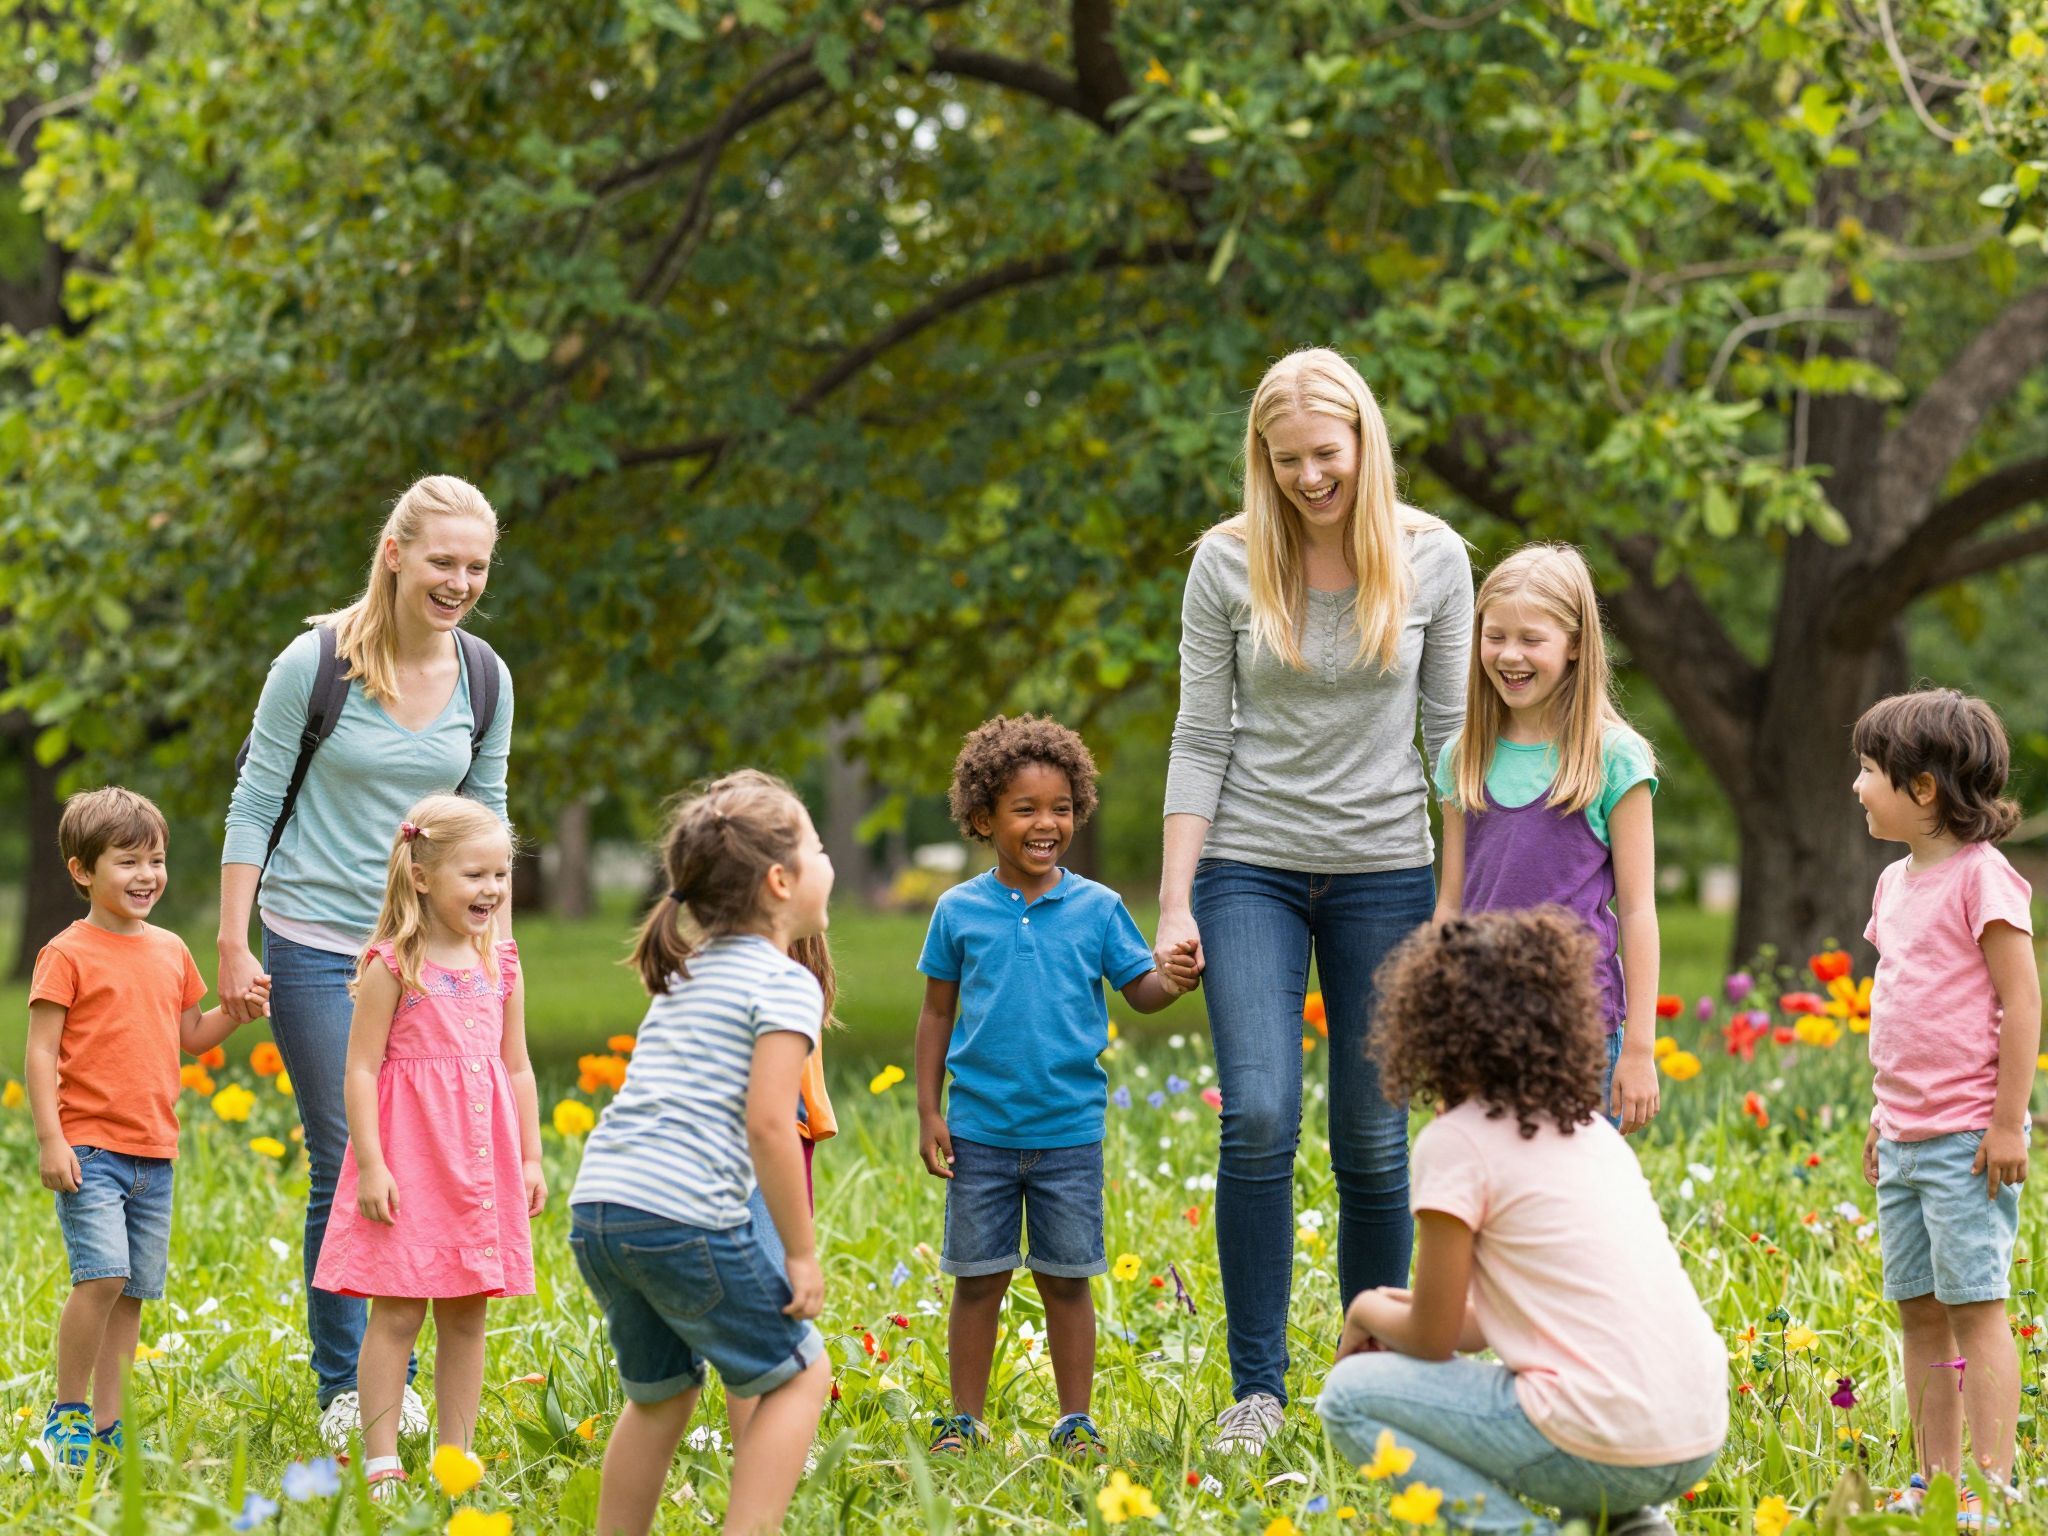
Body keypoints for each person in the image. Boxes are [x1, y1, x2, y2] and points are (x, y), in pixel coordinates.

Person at [1159, 346, 1472, 1452]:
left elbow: (1450, 741)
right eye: (1284, 460)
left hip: (1385, 871)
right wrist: (1172, 900)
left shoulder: (1433, 559)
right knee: (1254, 1114)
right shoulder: (1224, 563)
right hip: (1246, 864)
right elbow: (1199, 734)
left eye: (1324, 456)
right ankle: (1256, 1391)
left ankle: (1373, 1386)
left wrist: (1455, 899)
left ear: (1362, 444)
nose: (1306, 479)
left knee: (1374, 1141)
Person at [218, 474, 513, 1447]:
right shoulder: (314, 665)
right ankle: (352, 1387)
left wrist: (494, 952)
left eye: (475, 566)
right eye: (442, 561)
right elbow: (256, 803)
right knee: (348, 1153)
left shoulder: (485, 677)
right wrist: (230, 939)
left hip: (435, 951)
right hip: (315, 937)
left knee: (431, 1158)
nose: (459, 581)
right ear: (395, 553)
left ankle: (401, 1379)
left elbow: (491, 812)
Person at [1316, 909, 1725, 1536]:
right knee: (1550, 1389)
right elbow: (1475, 1328)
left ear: (1429, 1031)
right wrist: (1396, 1304)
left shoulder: (1458, 1143)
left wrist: (1367, 1309)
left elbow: (1431, 1339)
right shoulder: (1589, 1130)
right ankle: (1632, 1524)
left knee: (1347, 1398)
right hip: (1695, 1428)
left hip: (1606, 1438)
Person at [915, 716, 1200, 1459]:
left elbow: (1140, 991)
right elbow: (936, 1011)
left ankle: (1076, 1421)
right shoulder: (957, 911)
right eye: (1026, 809)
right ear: (983, 818)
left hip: (1069, 1134)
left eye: (1063, 808)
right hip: (980, 1131)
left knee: (1066, 1281)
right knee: (978, 1281)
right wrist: (928, 1112)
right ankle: (965, 1420)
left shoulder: (1099, 909)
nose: (1049, 824)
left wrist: (1173, 979)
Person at [568, 771, 833, 1536]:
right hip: (684, 1219)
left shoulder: (683, 975)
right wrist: (802, 1254)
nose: (828, 861)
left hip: (603, 1211)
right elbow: (770, 1127)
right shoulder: (785, 983)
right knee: (799, 1374)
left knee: (660, 1395)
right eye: (818, 846)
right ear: (781, 883)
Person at [309, 796, 542, 1497]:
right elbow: (360, 1068)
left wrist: (530, 1156)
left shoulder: (500, 962)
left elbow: (519, 1064)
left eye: (501, 874)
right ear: (420, 874)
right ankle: (381, 1457)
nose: (493, 889)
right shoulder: (393, 964)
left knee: (469, 1313)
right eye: (475, 874)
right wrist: (372, 1164)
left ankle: (454, 1456)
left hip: (478, 1167)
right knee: (400, 1310)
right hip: (411, 1167)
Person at [27, 788, 261, 1466]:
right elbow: (41, 1051)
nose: (147, 876)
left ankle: (111, 1423)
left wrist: (236, 1012)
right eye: (128, 861)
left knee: (130, 1295)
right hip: (90, 1148)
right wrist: (51, 1138)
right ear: (82, 871)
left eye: (155, 860)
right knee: (99, 1278)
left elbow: (193, 1035)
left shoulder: (170, 950)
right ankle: (68, 1414)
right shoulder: (66, 953)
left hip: (153, 1151)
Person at [1852, 690, 2039, 1521]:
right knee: (1921, 1313)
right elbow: (1901, 1008)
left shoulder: (1983, 877)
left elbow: (2021, 999)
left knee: (1975, 1309)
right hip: (1903, 1139)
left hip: (1967, 1140)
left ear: (1922, 788)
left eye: (1867, 771)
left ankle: (1993, 1487)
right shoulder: (1894, 881)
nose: (1856, 787)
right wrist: (1878, 1117)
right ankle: (1937, 1480)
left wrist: (2007, 1122)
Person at [1433, 544, 1660, 1132]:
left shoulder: (1614, 758)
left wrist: (1639, 1049)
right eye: (1495, 636)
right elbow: (1451, 906)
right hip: (1481, 1030)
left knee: (1570, 1211)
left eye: (1532, 639)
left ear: (1576, 643)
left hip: (1579, 1030)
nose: (1510, 655)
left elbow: (1638, 911)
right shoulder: (1463, 757)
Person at [725, 931, 837, 1451]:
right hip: (755, 1154)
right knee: (763, 1313)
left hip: (784, 1146)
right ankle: (758, 1459)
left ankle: (764, 1453)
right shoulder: (759, 971)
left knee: (766, 1310)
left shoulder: (789, 963)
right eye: (814, 850)